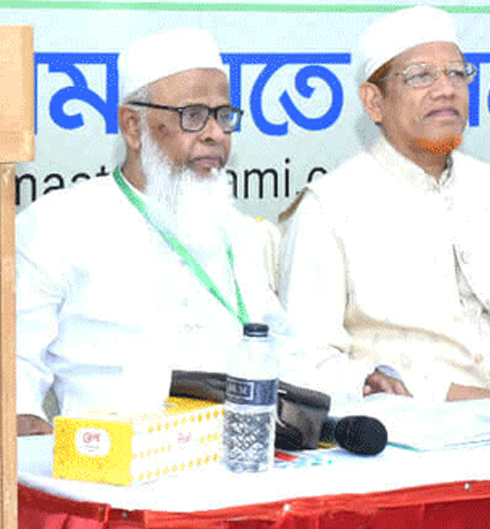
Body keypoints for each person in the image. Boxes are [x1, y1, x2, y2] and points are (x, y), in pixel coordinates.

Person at [278, 6, 490, 401]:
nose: (446, 89)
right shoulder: (328, 207)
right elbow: (307, 362)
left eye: (457, 73)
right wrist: (442, 395)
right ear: (374, 102)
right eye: (420, 76)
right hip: (412, 425)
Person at [15, 28, 291, 434]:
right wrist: (24, 424)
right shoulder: (58, 224)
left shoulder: (239, 233)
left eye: (223, 116)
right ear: (133, 127)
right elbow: (14, 367)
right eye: (193, 116)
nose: (215, 134)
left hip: (241, 451)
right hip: (109, 458)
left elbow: (284, 350)